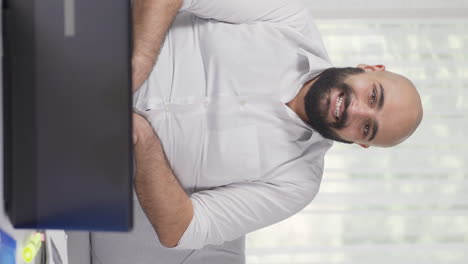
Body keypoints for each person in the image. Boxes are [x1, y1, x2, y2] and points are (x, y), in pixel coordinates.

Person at [91, 0, 423, 262]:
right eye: (374, 95)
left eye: (367, 128)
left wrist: (144, 139)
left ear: (360, 144)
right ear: (371, 68)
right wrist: (139, 62)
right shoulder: (288, 18)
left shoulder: (297, 184)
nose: (355, 109)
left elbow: (182, 229)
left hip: (86, 155)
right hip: (90, 47)